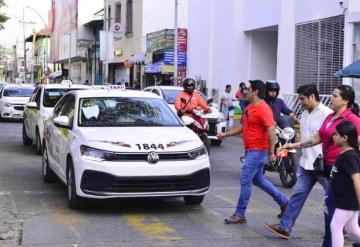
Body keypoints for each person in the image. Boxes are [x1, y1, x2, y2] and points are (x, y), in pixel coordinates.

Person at [272, 85, 360, 247]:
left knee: (333, 214)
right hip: (328, 168)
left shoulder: (352, 120)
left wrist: (353, 164)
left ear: (345, 100)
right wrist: (294, 145)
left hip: (343, 172)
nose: (331, 98)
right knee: (346, 220)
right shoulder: (331, 117)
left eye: (335, 96)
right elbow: (317, 138)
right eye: (332, 95)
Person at [264, 84, 332, 239]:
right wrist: (288, 146)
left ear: (312, 97)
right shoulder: (304, 114)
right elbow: (302, 137)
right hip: (306, 163)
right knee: (298, 195)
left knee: (333, 198)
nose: (300, 102)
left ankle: (342, 228)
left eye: (302, 99)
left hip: (323, 165)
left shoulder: (327, 114)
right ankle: (285, 227)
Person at [217, 80, 288, 224]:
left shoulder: (263, 108)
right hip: (250, 150)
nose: (245, 91)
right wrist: (226, 134)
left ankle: (240, 213)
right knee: (258, 180)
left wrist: (271, 153)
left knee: (245, 179)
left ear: (255, 91)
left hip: (258, 151)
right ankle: (285, 202)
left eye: (248, 89)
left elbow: (271, 131)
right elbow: (243, 127)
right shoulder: (249, 107)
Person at [330, 121, 360, 247]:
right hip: (345, 198)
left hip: (348, 199)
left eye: (336, 134)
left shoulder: (350, 155)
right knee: (352, 228)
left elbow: (357, 179)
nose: (333, 136)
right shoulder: (344, 153)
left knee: (335, 227)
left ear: (345, 138)